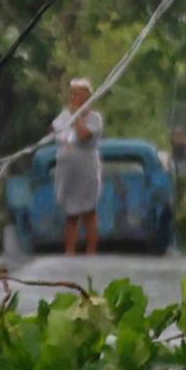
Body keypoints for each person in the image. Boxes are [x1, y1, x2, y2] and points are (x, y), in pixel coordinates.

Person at [49, 77, 105, 256]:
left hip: (86, 170)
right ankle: (70, 251)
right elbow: (58, 133)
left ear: (87, 97)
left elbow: (84, 135)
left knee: (88, 211)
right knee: (70, 213)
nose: (73, 98)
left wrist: (77, 116)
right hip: (68, 171)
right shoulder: (63, 115)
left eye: (77, 95)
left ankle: (91, 251)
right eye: (71, 94)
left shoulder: (95, 118)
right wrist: (70, 117)